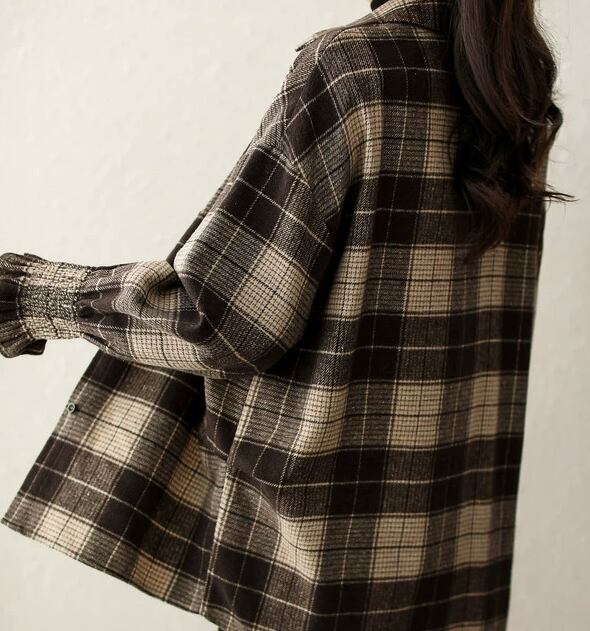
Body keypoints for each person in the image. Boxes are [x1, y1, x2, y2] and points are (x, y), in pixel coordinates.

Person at [0, 1, 572, 629]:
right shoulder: (514, 84)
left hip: (313, 564)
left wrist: (31, 295)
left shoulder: (351, 68)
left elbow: (221, 321)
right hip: (450, 554)